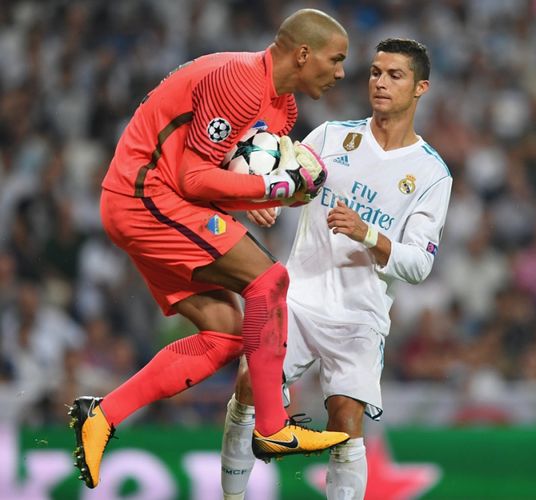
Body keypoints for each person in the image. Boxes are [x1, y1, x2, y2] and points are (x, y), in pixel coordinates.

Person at [68, 9, 352, 490]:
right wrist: (272, 187)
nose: (342, 71)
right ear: (303, 54)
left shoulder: (282, 109)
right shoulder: (241, 82)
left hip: (160, 201)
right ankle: (272, 427)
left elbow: (214, 178)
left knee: (225, 334)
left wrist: (259, 194)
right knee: (269, 280)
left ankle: (102, 415)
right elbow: (192, 177)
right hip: (142, 196)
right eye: (336, 58)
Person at [220, 38, 452, 500]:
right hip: (299, 297)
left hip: (359, 315)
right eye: (375, 72)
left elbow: (419, 264)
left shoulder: (431, 174)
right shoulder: (330, 136)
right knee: (248, 384)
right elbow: (280, 180)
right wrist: (258, 201)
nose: (380, 83)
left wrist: (367, 232)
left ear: (421, 87)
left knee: (345, 417)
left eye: (395, 75)